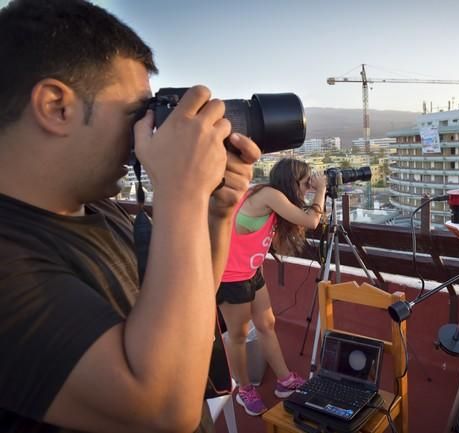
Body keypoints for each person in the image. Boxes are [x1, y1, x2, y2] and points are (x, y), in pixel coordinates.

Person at [0, 1, 261, 432]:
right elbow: (161, 409)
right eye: (133, 114)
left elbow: (186, 299)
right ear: (55, 106)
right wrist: (181, 192)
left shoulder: (99, 209)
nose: (144, 134)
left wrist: (211, 212)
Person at [218, 158, 327, 415]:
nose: (306, 189)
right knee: (238, 336)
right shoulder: (269, 194)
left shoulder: (273, 199)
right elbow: (312, 222)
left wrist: (311, 198)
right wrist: (320, 190)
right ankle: (244, 390)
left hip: (251, 272)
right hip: (230, 276)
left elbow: (274, 239)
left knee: (267, 325)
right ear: (291, 183)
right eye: (304, 184)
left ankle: (284, 380)